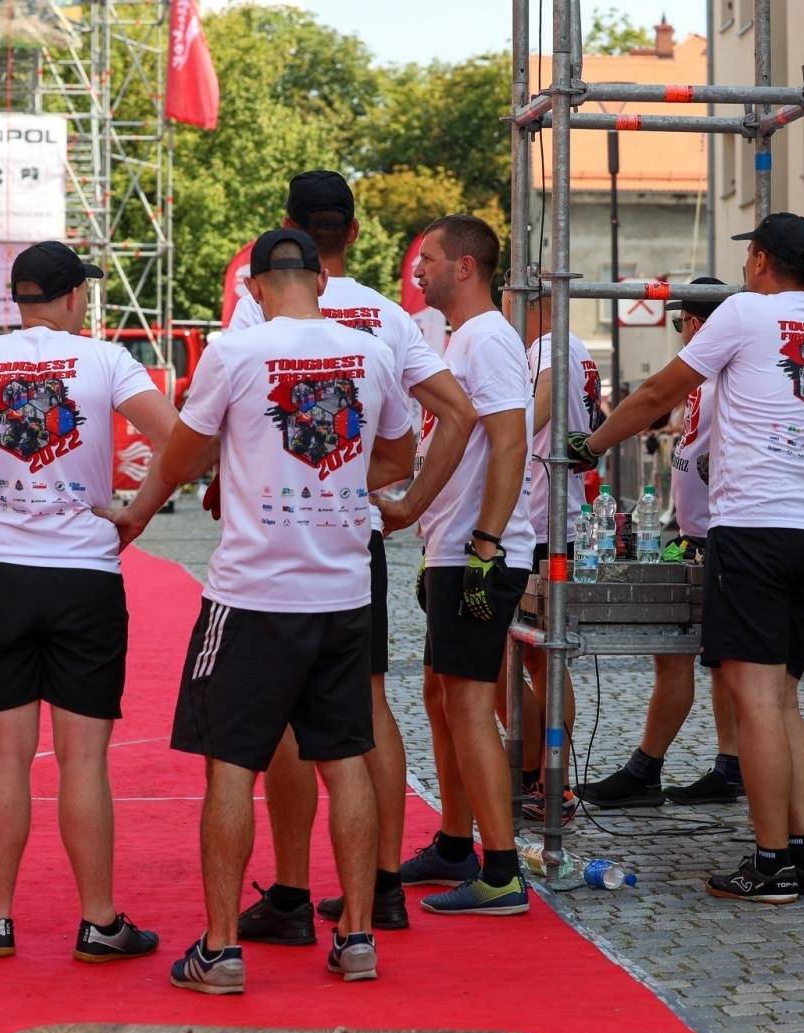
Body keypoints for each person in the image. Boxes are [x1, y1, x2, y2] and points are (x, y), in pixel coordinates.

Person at [124, 228, 414, 992]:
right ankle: (356, 937)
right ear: (321, 279)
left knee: (232, 765)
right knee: (345, 759)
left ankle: (221, 951)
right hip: (344, 589)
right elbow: (399, 457)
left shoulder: (234, 352)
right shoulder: (372, 352)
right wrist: (336, 478)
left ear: (254, 288)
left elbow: (180, 458)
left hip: (254, 592)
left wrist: (231, 466)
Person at [0, 240, 177, 963]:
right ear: (76, 297)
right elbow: (179, 439)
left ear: (18, 299)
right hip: (85, 575)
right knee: (84, 763)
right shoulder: (107, 360)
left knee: (4, 761)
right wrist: (137, 511)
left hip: (4, 572)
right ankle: (100, 923)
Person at [568, 211, 804, 903]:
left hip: (755, 528)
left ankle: (771, 860)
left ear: (758, 260)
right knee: (781, 699)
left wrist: (591, 444)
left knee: (756, 701)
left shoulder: (744, 314)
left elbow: (663, 391)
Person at [226, 171, 476, 942]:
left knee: (280, 719)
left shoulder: (255, 304)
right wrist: (404, 502)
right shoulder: (387, 316)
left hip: (274, 541)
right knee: (366, 708)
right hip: (352, 531)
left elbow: (225, 408)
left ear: (285, 233)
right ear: (356, 232)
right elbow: (458, 415)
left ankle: (295, 895)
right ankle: (384, 886)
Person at [378, 215, 535, 917]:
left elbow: (509, 445)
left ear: (466, 267)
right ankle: (453, 843)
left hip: (480, 551)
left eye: (430, 259)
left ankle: (501, 871)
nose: (419, 270)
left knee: (471, 701)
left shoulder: (491, 339)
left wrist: (486, 546)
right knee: (442, 696)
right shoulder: (460, 337)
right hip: (451, 545)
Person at [577, 279, 742, 808]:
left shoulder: (724, 375)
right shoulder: (707, 379)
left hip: (719, 532)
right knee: (702, 658)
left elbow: (649, 399)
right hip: (695, 531)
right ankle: (723, 764)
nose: (679, 334)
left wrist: (593, 445)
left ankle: (654, 768)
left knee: (698, 658)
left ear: (695, 325)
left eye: (679, 324)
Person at [504, 287, 602, 822]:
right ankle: (537, 771)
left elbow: (534, 414)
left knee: (538, 656)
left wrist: (492, 433)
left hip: (542, 518)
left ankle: (550, 778)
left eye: (508, 297)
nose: (502, 307)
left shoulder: (549, 346)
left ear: (530, 300)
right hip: (547, 513)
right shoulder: (566, 345)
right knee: (533, 656)